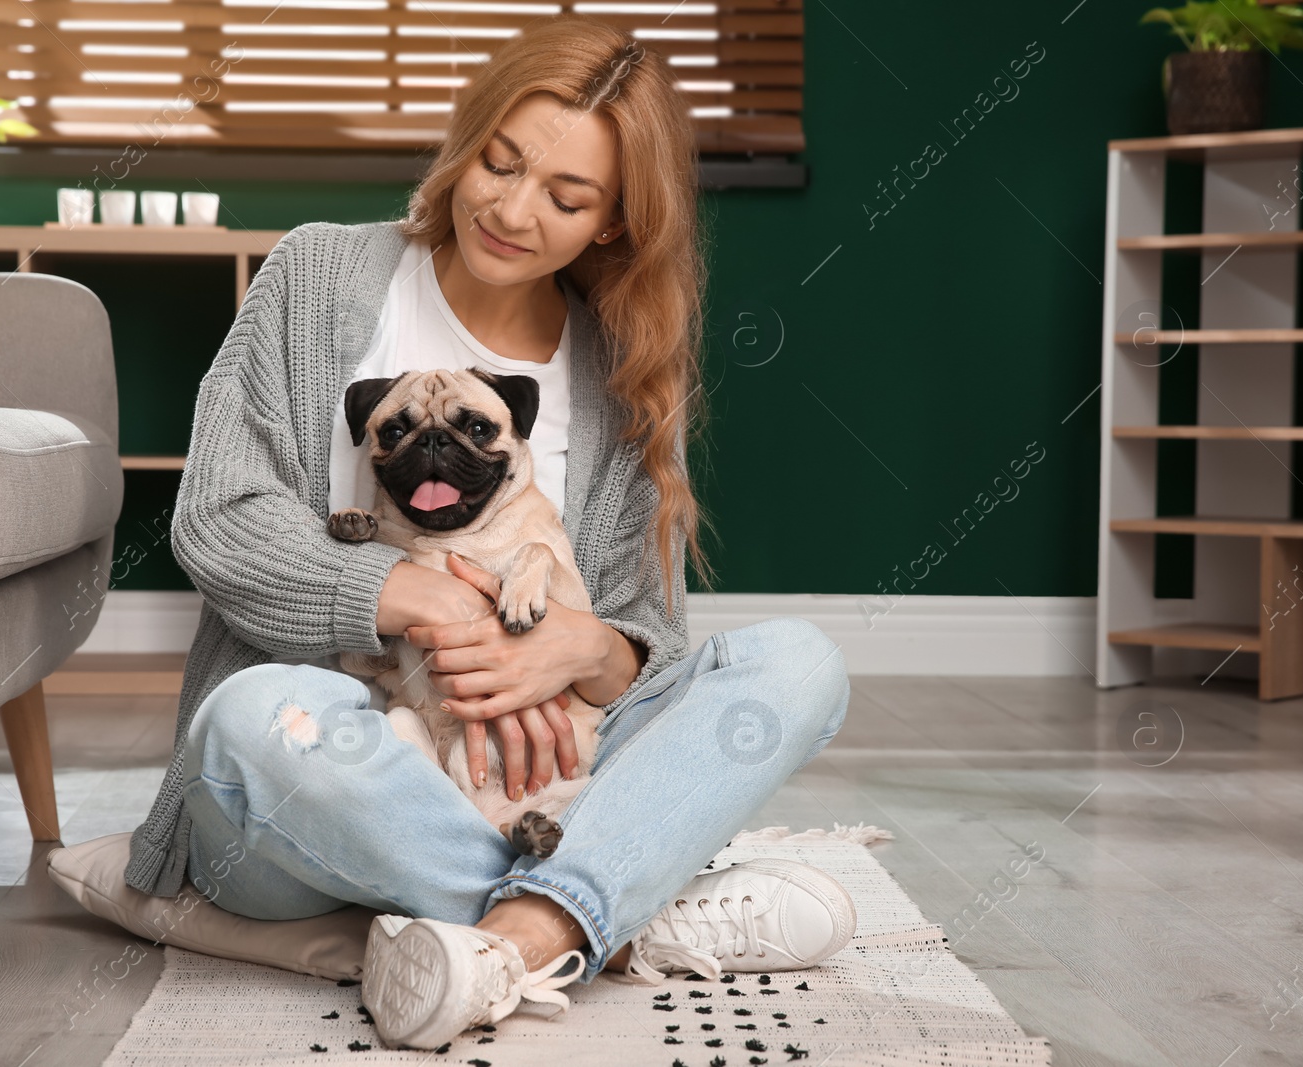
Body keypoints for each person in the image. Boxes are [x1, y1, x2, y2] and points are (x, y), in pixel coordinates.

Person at [122, 14, 854, 1052]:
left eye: (565, 197)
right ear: (466, 143)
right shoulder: (319, 275)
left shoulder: (622, 368)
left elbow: (645, 634)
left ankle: (515, 931)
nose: (512, 209)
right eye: (500, 164)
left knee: (800, 662)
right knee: (252, 716)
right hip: (341, 770)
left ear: (612, 222)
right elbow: (216, 520)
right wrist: (405, 591)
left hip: (546, 778)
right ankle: (608, 911)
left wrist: (589, 645)